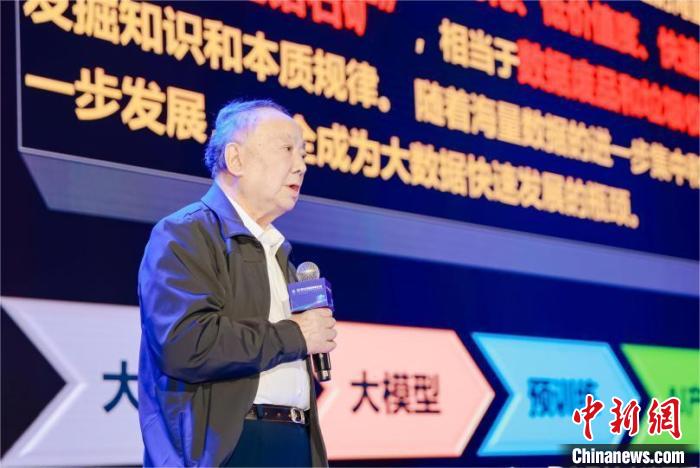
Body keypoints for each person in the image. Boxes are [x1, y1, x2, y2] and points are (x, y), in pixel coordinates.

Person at [137, 99, 337, 467]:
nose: (301, 165)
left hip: (293, 441)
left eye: (303, 153)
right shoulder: (184, 234)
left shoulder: (280, 254)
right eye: (287, 149)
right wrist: (296, 334)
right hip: (230, 448)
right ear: (236, 159)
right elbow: (187, 344)